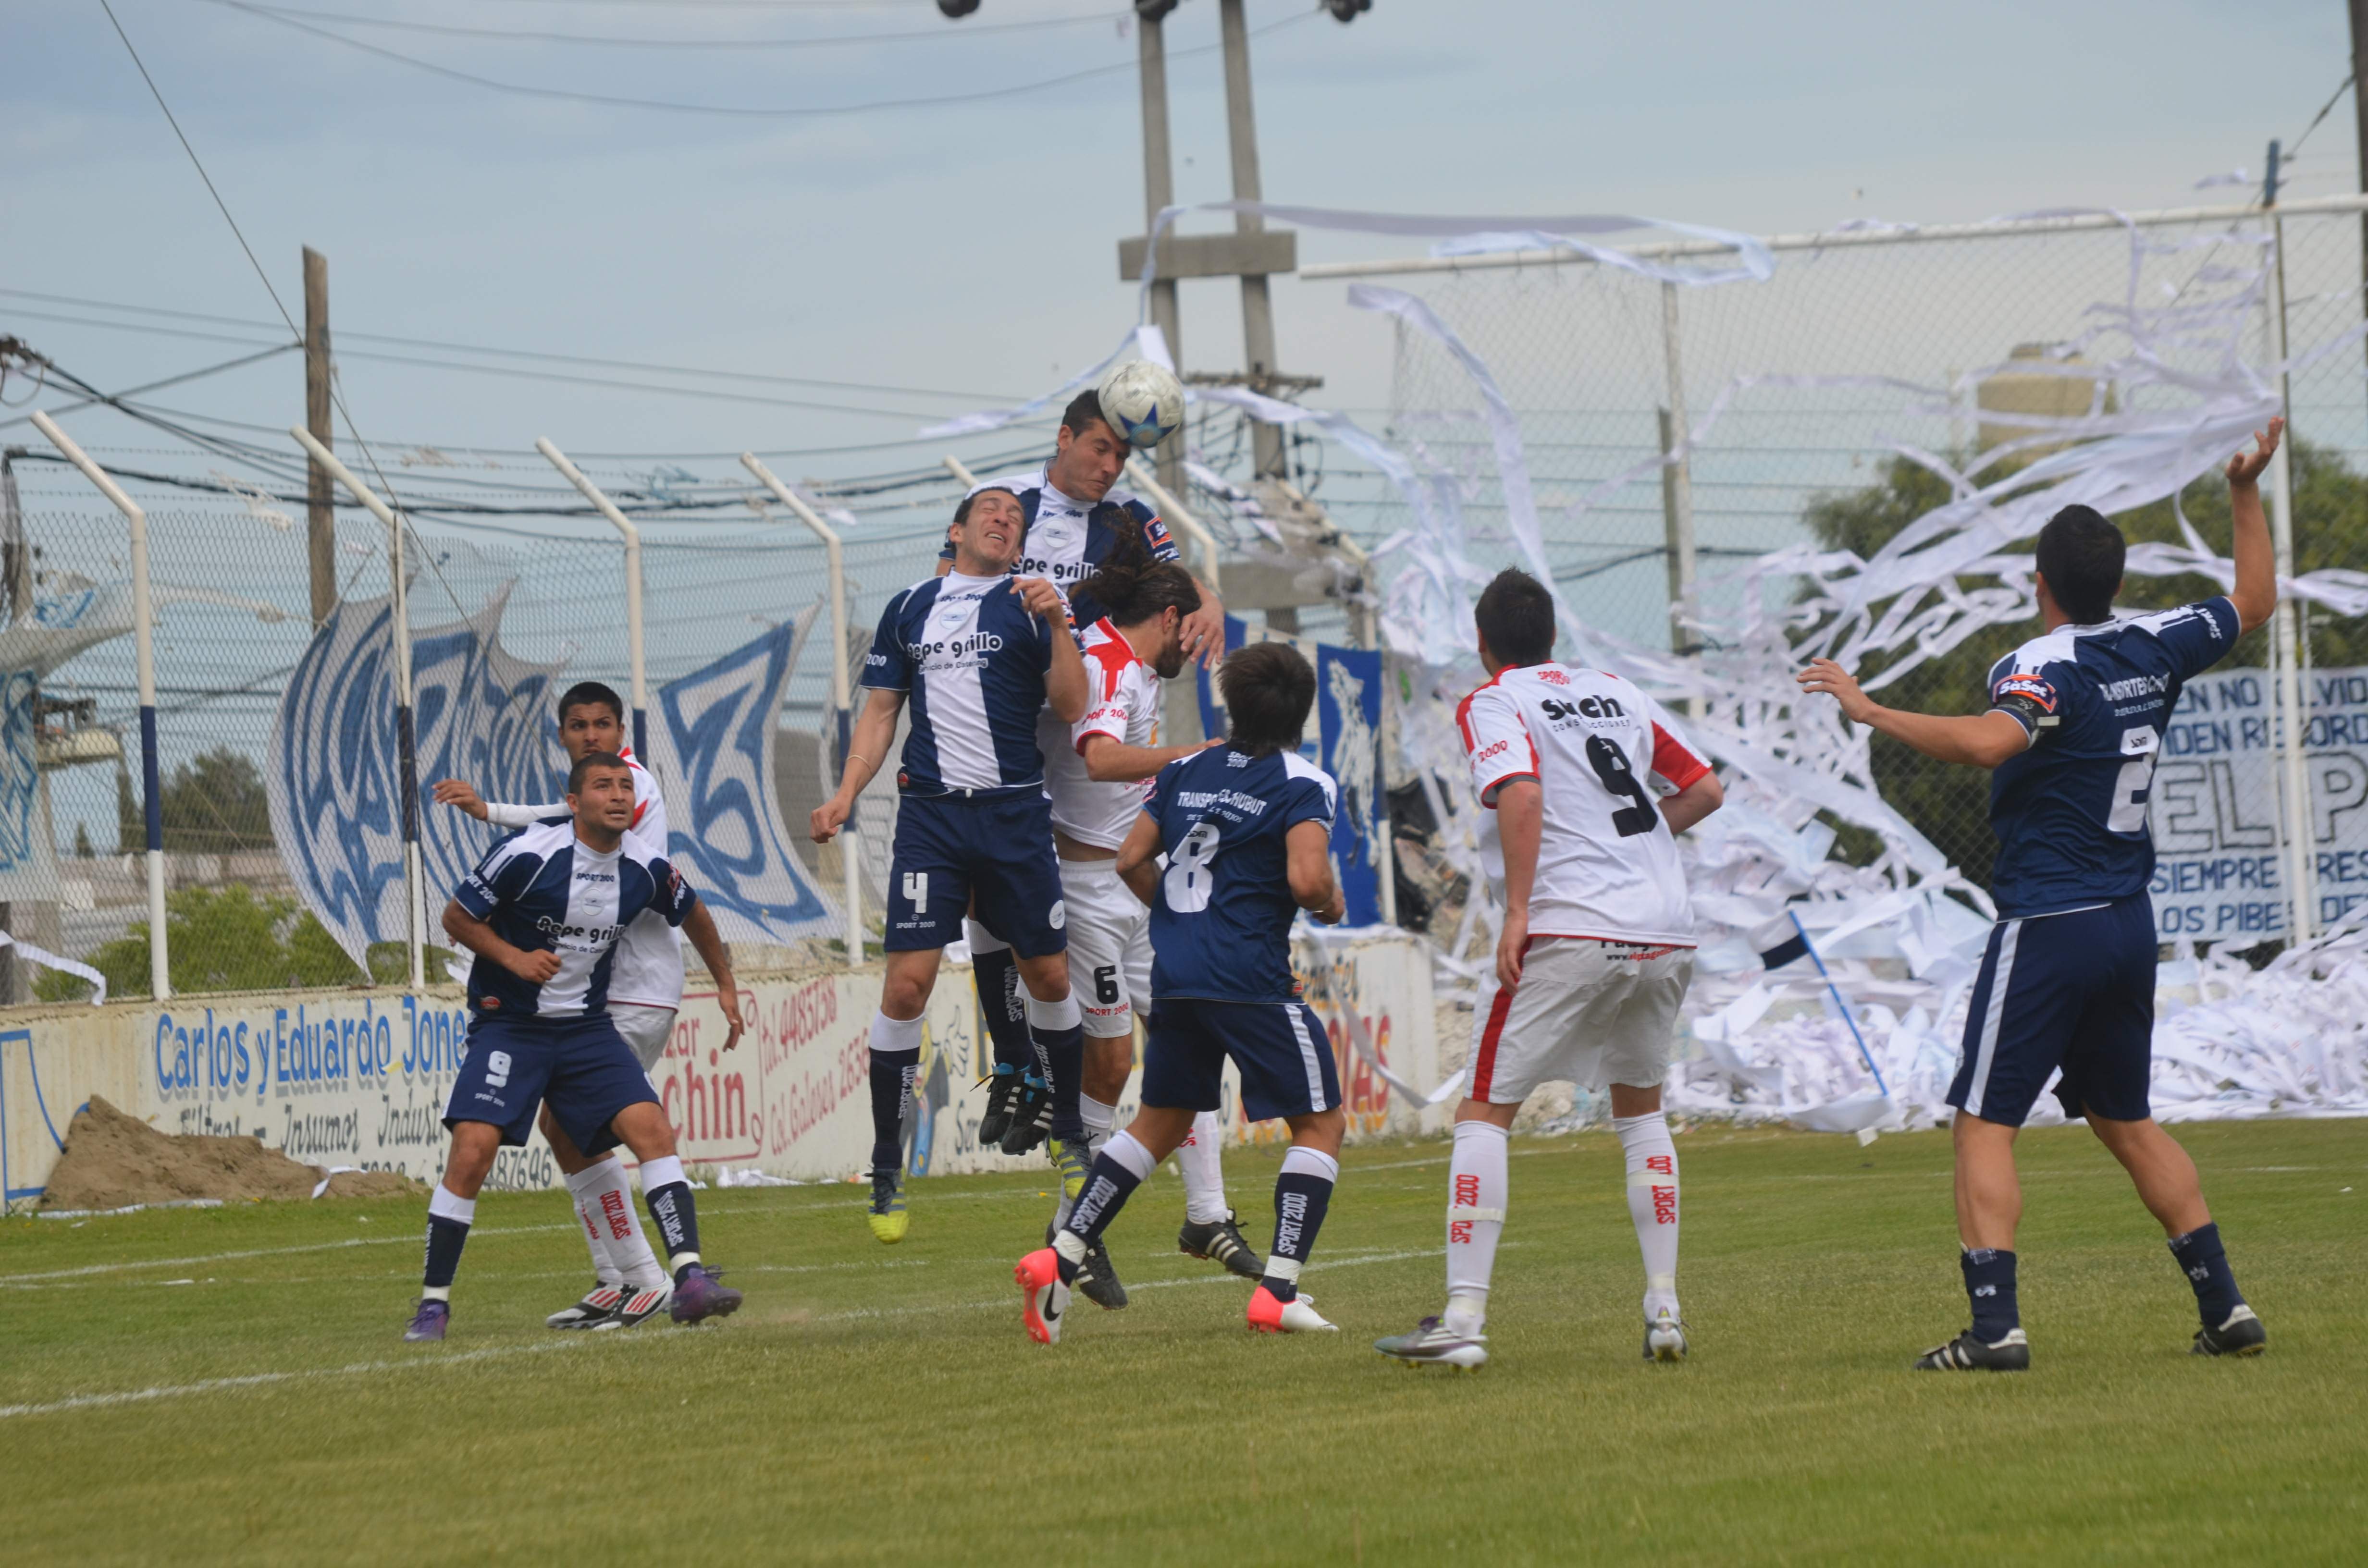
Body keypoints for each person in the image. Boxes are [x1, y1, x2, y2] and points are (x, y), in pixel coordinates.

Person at [1797, 420, 2286, 1372]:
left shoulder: (2036, 664)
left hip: (2051, 922)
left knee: (1983, 1120)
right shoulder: (2156, 643)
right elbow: (2255, 600)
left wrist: (1868, 708)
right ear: (2114, 577)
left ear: (2039, 582)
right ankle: (2225, 1307)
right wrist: (2242, 491)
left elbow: (1993, 741)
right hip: (2127, 920)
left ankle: (1995, 1329)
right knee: (2123, 1118)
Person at [1375, 570, 1725, 1372]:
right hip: (1665, 927)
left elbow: (1522, 793)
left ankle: (1463, 1318)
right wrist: (1632, 847)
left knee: (1483, 1109)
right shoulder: (1618, 691)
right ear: (1553, 635)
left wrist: (1519, 911)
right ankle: (1664, 1309)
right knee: (1641, 1111)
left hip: (1572, 919)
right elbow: (1704, 789)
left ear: (1481, 641)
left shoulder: (1494, 699)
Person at [1016, 641, 1347, 1345]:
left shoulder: (1185, 768)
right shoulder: (1303, 781)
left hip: (1177, 973)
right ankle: (1278, 1292)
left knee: (1157, 1125)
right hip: (1250, 979)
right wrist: (1329, 901)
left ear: (1232, 704)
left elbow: (1131, 857)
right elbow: (1307, 880)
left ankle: (1061, 1255)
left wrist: (1176, 920)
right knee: (1320, 1125)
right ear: (1301, 712)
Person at [950, 391, 1228, 1149]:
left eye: (1123, 455)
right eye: (1100, 448)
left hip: (1078, 711)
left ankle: (1041, 1077)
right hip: (1006, 722)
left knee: (1039, 918)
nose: (1110, 466)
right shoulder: (1008, 504)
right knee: (984, 892)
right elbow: (954, 582)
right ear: (1064, 437)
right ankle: (1015, 1060)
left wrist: (1210, 601)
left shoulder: (1129, 520)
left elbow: (1180, 583)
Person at [811, 486, 1089, 1245]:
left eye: (1016, 518)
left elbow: (1073, 705)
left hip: (1014, 815)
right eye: (991, 511)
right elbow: (879, 712)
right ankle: (886, 1164)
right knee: (906, 985)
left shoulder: (1033, 604)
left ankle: (1069, 1133)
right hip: (932, 818)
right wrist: (843, 795)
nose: (1005, 520)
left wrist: (1058, 622)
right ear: (957, 530)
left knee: (1050, 979)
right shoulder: (909, 607)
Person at [405, 751, 745, 1341]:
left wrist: (725, 983)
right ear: (573, 802)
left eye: (624, 787)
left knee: (652, 1131)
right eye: (602, 786)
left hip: (586, 1031)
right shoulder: (528, 852)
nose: (617, 796)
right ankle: (433, 1306)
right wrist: (514, 958)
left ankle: (688, 1279)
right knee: (473, 1151)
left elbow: (694, 914)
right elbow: (456, 918)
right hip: (510, 1026)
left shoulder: (645, 866)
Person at [1037, 551, 1266, 1310]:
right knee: (1107, 1069)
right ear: (1169, 619)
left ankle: (1207, 1215)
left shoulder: (1128, 662)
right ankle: (1072, 1229)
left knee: (1187, 1038)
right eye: (1190, 636)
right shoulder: (1109, 663)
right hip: (1090, 892)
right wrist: (1193, 757)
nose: (1192, 653)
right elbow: (1101, 760)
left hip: (1138, 883)